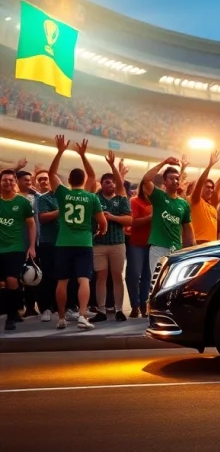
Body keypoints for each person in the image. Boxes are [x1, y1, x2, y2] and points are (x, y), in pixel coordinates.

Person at [48, 135, 107, 330]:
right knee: (83, 280)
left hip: (63, 242)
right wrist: (83, 155)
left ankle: (62, 319)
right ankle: (82, 316)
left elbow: (51, 173)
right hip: (84, 242)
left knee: (62, 281)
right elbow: (102, 222)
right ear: (84, 180)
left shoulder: (63, 194)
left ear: (70, 180)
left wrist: (60, 151)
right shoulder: (91, 197)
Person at [90, 152, 132, 323]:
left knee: (117, 277)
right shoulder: (94, 198)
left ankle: (119, 309)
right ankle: (101, 310)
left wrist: (111, 217)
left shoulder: (121, 199)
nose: (111, 184)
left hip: (117, 243)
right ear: (101, 183)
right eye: (107, 182)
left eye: (113, 181)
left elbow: (129, 220)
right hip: (98, 244)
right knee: (100, 277)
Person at [140, 157, 194, 269]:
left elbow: (188, 228)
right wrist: (164, 162)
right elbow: (146, 180)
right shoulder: (159, 196)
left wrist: (193, 247)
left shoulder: (183, 204)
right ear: (165, 182)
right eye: (171, 178)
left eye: (177, 179)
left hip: (176, 249)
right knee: (157, 282)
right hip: (159, 248)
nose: (175, 181)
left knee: (173, 283)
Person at [0, 169, 36, 331]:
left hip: (15, 247)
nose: (8, 183)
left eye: (10, 180)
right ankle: (13, 311)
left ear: (15, 182)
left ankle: (10, 317)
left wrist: (32, 246)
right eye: (4, 180)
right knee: (5, 283)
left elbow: (31, 224)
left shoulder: (22, 202)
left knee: (12, 281)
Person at [33, 170, 60, 322]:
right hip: (46, 242)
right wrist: (61, 211)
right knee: (47, 276)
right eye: (41, 179)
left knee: (61, 276)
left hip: (63, 242)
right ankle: (46, 308)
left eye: (47, 179)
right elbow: (42, 218)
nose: (44, 182)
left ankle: (59, 307)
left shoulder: (62, 196)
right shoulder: (41, 199)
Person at [127, 182, 153, 317]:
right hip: (136, 244)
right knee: (134, 275)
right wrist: (150, 217)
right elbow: (133, 222)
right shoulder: (135, 201)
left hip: (152, 244)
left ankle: (143, 304)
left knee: (147, 277)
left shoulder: (156, 203)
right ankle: (135, 305)